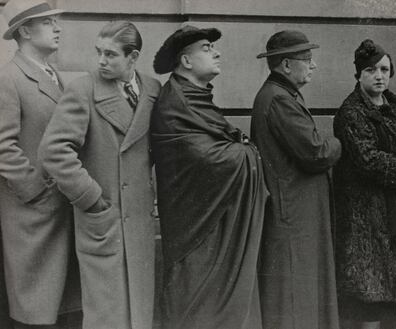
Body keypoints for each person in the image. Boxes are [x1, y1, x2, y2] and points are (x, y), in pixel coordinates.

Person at [38, 21, 160, 329]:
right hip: (103, 218)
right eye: (98, 53)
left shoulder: (153, 90)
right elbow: (53, 151)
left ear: (133, 58)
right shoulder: (83, 90)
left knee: (139, 312)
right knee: (107, 312)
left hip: (140, 221)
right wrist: (90, 198)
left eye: (111, 54)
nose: (101, 61)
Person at [151, 25, 268, 329]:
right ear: (186, 61)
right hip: (195, 229)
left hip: (211, 221)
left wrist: (241, 149)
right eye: (206, 48)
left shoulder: (195, 98)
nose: (216, 52)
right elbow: (206, 158)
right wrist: (249, 153)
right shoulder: (175, 102)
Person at [251, 30, 342, 329]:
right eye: (307, 59)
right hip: (293, 216)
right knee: (293, 298)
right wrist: (340, 143)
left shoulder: (278, 95)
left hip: (295, 213)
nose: (313, 65)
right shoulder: (279, 99)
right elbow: (315, 152)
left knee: (297, 296)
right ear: (287, 65)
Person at [0, 1, 81, 328]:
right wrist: (36, 192)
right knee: (34, 309)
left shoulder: (56, 77)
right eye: (48, 23)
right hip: (31, 213)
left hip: (60, 210)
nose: (58, 28)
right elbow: (3, 146)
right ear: (24, 31)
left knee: (59, 307)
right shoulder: (8, 78)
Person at [333, 39, 396, 329]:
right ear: (359, 74)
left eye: (384, 69)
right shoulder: (351, 112)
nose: (379, 75)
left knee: (395, 290)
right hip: (367, 214)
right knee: (371, 292)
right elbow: (367, 158)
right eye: (371, 70)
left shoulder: (392, 106)